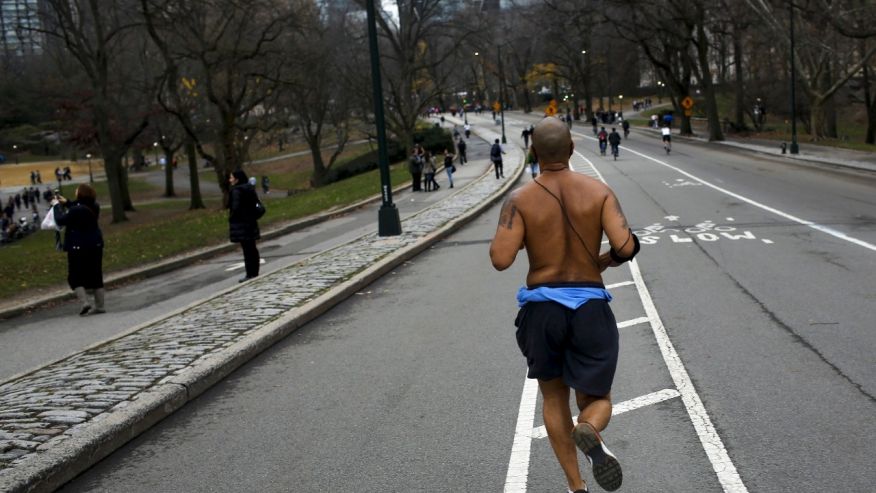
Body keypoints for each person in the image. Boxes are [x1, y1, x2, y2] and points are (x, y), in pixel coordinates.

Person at [489, 117, 639, 493]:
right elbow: (626, 247)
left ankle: (577, 487)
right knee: (596, 398)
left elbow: (500, 258)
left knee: (553, 397)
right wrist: (603, 260)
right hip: (589, 308)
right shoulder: (599, 192)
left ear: (533, 152)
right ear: (572, 149)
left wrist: (527, 233)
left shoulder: (520, 199)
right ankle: (588, 429)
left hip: (542, 312)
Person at [52, 184, 106, 316]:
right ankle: (100, 306)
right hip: (95, 245)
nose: (75, 192)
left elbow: (60, 220)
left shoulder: (76, 210)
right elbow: (79, 208)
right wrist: (67, 202)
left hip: (78, 247)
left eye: (77, 191)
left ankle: (84, 303)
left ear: (80, 194)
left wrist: (56, 206)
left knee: (75, 276)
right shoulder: (94, 206)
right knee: (96, 275)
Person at [228, 169, 261, 282]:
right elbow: (257, 204)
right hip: (251, 222)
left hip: (242, 224)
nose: (230, 180)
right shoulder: (250, 189)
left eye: (231, 177)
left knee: (247, 250)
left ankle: (249, 274)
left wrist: (233, 217)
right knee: (252, 248)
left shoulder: (237, 191)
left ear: (237, 179)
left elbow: (235, 208)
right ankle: (255, 272)